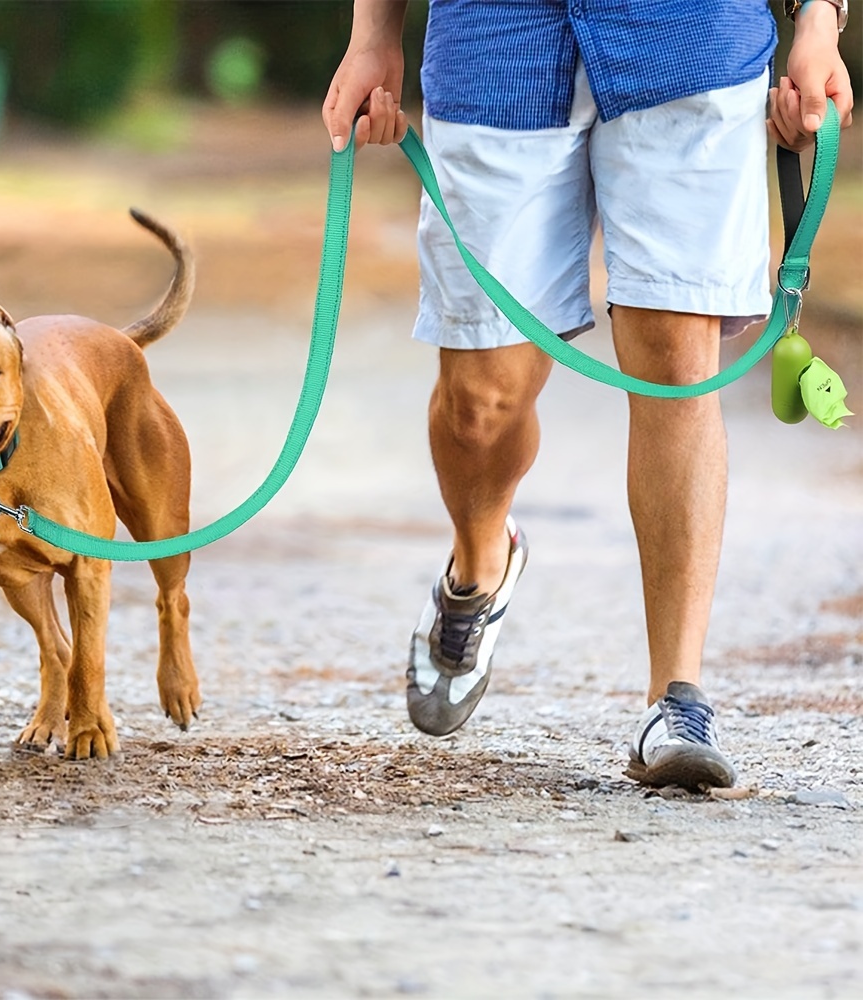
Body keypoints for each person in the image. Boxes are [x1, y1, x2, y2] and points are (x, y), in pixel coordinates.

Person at [322, 0, 853, 790]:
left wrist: (818, 21)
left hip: (694, 36)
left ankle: (677, 698)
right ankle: (480, 563)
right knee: (480, 401)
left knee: (677, 362)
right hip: (496, 38)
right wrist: (374, 32)